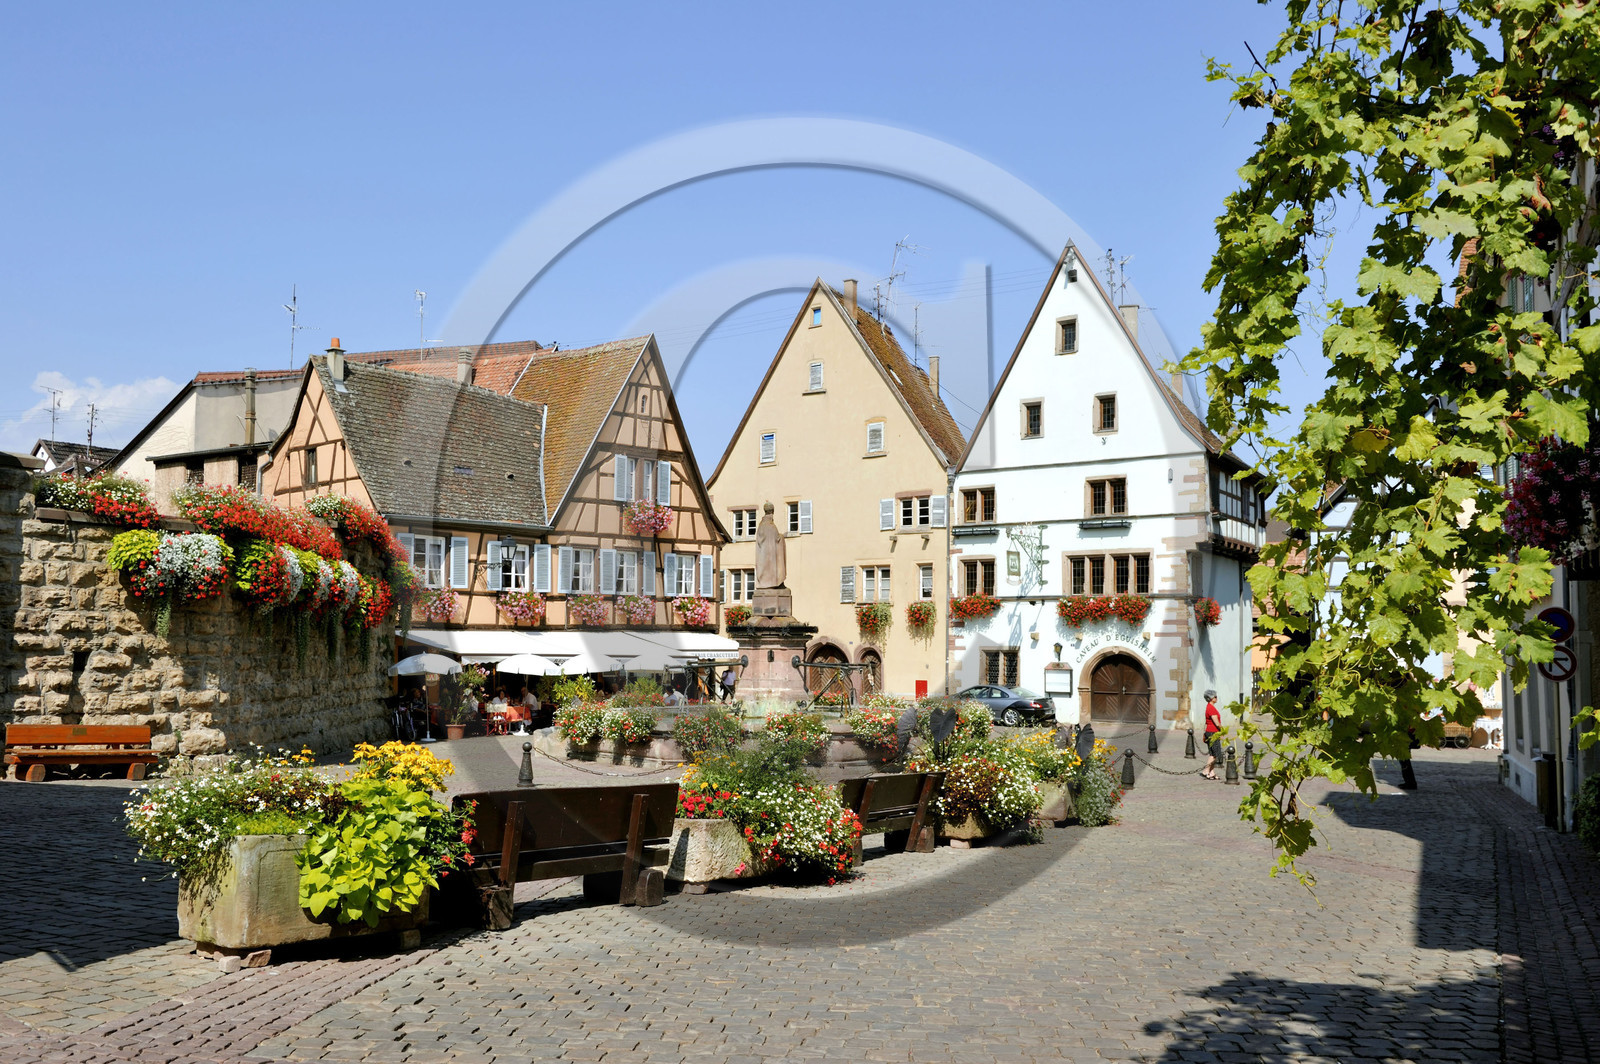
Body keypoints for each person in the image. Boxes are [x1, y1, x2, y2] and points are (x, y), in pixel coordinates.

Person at [1201, 690, 1222, 780]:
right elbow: (1216, 722)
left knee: (1212, 753)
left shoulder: (1209, 707)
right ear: (1211, 698)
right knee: (1214, 754)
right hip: (1213, 732)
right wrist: (1222, 730)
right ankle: (1206, 770)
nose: (1216, 698)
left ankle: (1211, 772)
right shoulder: (1211, 708)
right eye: (1215, 697)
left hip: (1210, 732)